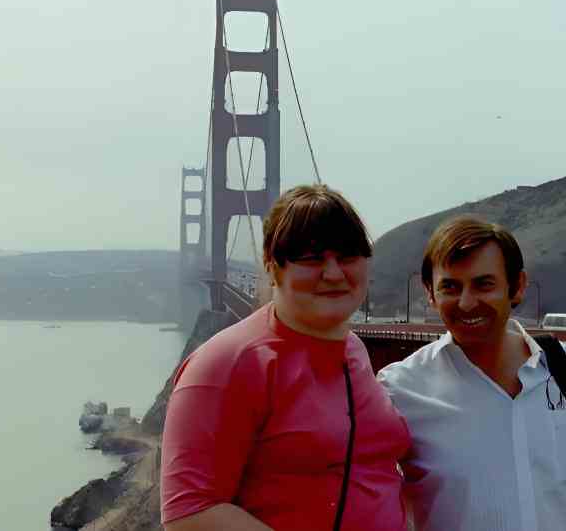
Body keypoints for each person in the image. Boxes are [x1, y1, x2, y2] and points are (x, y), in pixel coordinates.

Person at [161, 185, 411, 531]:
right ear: (273, 267)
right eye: (311, 259)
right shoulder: (228, 362)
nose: (334, 273)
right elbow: (190, 512)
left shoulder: (353, 350)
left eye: (349, 256)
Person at [378, 216, 566, 531]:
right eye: (451, 287)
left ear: (517, 286)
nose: (467, 303)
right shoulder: (400, 389)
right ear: (430, 292)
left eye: (484, 284)